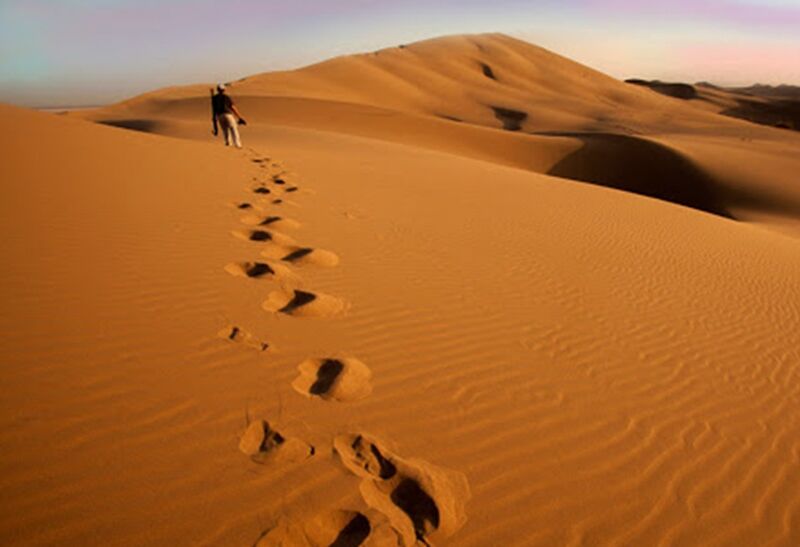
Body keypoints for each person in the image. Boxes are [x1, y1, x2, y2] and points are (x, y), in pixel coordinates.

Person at [211, 84, 246, 148]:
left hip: (219, 116)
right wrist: (239, 117)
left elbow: (214, 109)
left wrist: (215, 118)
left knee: (225, 130)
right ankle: (237, 144)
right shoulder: (226, 97)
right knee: (233, 128)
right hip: (227, 114)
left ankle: (228, 143)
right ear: (224, 90)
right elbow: (233, 107)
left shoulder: (214, 98)